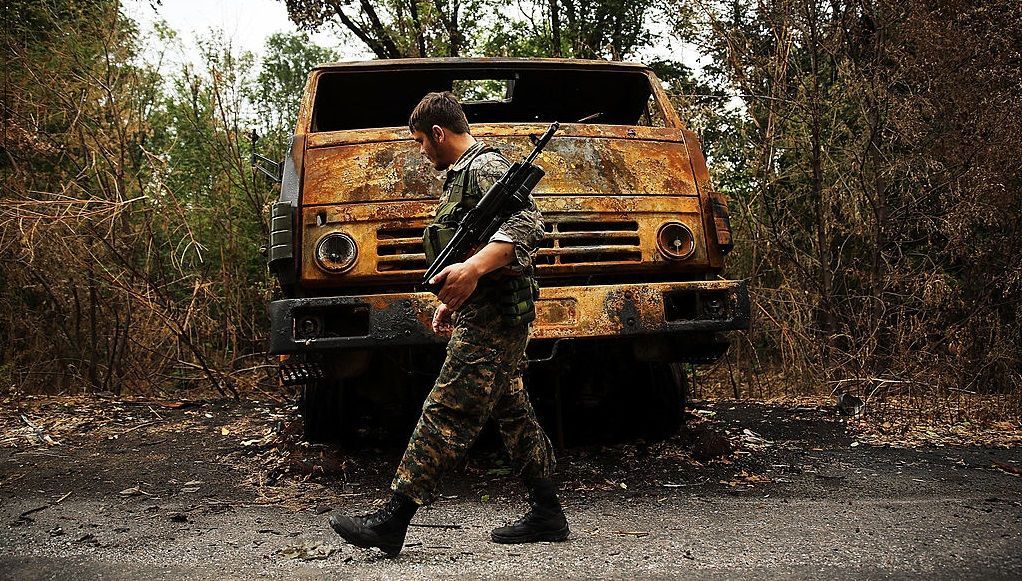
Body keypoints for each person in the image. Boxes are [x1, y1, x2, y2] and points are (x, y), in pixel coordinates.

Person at [328, 92, 569, 557]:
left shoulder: (484, 167)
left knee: (447, 408)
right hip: (482, 309)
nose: (421, 151)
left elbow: (529, 225)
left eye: (421, 141)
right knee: (512, 410)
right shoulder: (459, 178)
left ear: (438, 133)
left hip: (497, 314)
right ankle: (547, 511)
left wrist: (474, 271)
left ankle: (393, 519)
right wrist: (457, 297)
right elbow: (475, 244)